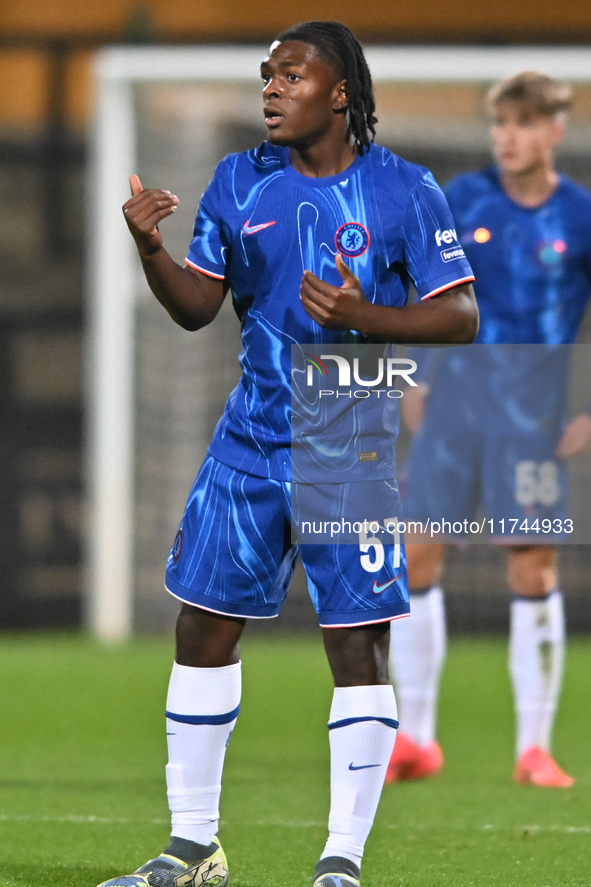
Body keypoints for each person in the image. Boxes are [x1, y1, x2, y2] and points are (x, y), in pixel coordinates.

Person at [97, 21, 478, 887]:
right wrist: (151, 248)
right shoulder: (238, 179)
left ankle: (340, 860)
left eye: (291, 76)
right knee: (201, 627)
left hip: (346, 452)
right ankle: (192, 847)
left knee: (353, 648)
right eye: (266, 75)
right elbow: (198, 305)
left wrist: (366, 319)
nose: (270, 89)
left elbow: (459, 315)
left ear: (338, 93)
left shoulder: (405, 189)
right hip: (247, 445)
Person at [387, 71, 591, 789]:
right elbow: (425, 286)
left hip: (530, 423)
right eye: (499, 123)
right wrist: (413, 371)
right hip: (453, 414)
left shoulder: (579, 215)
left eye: (523, 123)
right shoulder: (464, 198)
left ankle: (533, 746)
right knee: (415, 559)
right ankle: (415, 738)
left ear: (552, 131)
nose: (507, 137)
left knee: (531, 566)